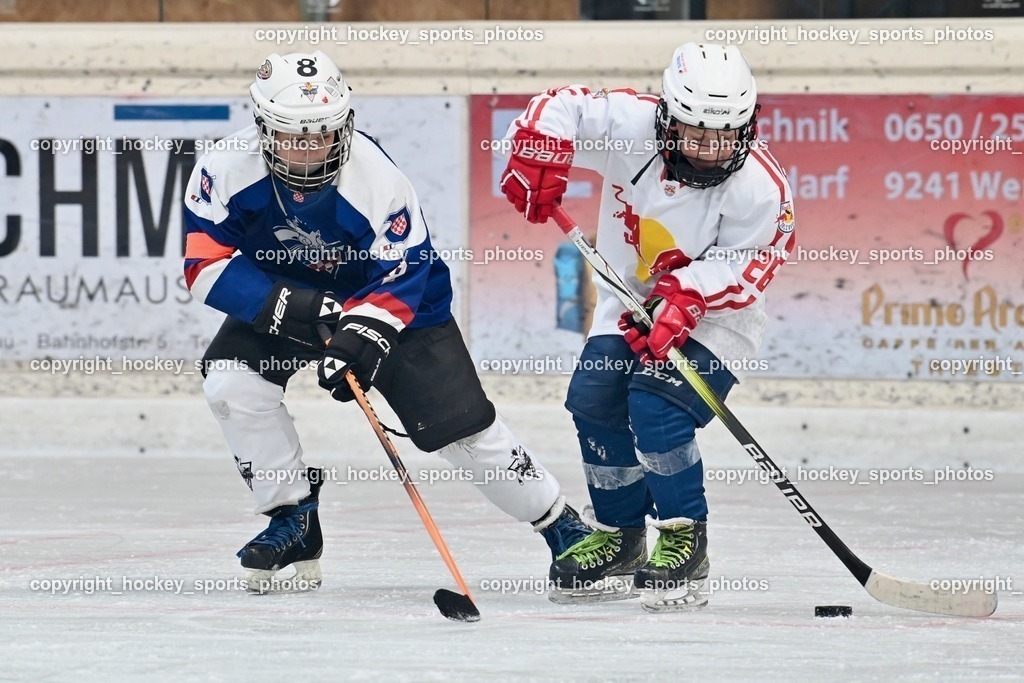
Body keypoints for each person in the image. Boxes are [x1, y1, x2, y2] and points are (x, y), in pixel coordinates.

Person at [182, 51, 589, 592]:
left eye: (322, 134)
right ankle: (292, 518)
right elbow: (204, 264)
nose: (308, 149)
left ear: (344, 125)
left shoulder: (375, 177)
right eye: (291, 135)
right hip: (288, 294)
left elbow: (404, 271)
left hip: (398, 305)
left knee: (461, 431)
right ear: (263, 128)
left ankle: (560, 523)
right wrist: (295, 307)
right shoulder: (223, 167)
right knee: (232, 384)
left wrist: (361, 337)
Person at [500, 42, 795, 610]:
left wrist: (686, 297)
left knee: (657, 410)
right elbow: (558, 106)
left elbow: (753, 263)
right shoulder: (629, 123)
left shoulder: (762, 186)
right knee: (593, 400)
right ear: (667, 117)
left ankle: (686, 536)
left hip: (715, 318)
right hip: (627, 300)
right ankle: (621, 534)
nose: (712, 150)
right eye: (697, 134)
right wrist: (537, 153)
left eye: (727, 135)